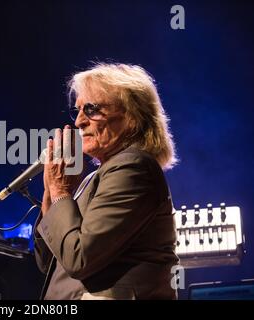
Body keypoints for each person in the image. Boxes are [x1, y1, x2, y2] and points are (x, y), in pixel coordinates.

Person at [34, 63, 179, 300]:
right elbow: (49, 262)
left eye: (91, 109)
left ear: (131, 116)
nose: (80, 121)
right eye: (78, 110)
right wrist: (51, 199)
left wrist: (61, 191)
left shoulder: (133, 168)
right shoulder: (94, 178)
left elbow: (79, 259)